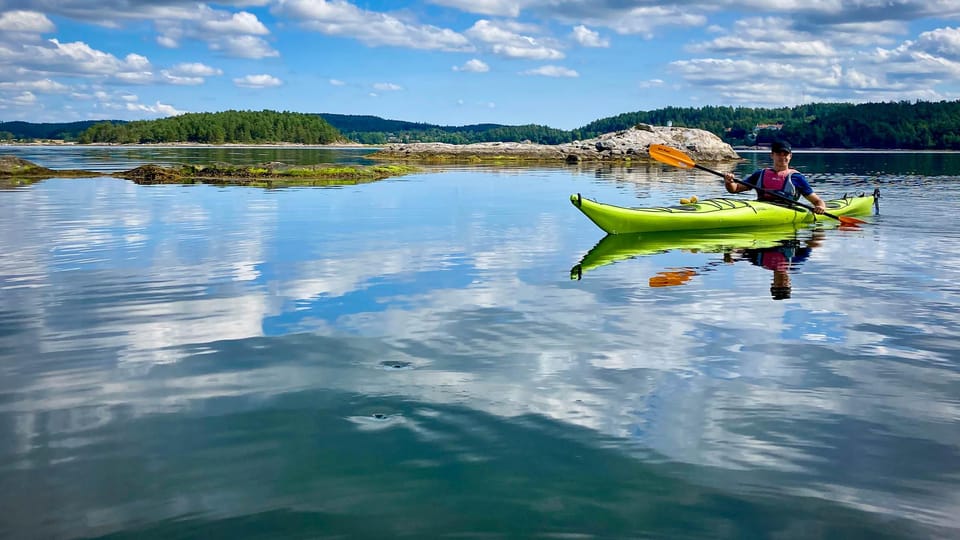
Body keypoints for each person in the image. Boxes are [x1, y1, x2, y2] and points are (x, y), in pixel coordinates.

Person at [722, 140, 827, 214]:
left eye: (785, 154)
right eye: (778, 154)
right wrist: (728, 181)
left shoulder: (796, 178)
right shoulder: (760, 174)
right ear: (772, 155)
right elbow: (734, 189)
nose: (782, 157)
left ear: (790, 156)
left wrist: (821, 207)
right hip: (760, 208)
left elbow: (817, 201)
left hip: (786, 211)